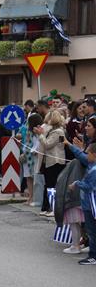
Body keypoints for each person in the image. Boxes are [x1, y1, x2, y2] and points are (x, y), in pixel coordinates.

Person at [66, 134, 96, 265]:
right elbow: (81, 155)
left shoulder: (94, 170)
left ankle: (93, 256)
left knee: (92, 231)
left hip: (91, 205)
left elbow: (89, 187)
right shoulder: (91, 165)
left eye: (88, 153)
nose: (86, 155)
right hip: (89, 204)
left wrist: (77, 183)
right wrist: (74, 147)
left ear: (94, 155)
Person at [37, 109, 67, 217]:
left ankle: (53, 208)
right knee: (49, 185)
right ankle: (47, 207)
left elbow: (47, 144)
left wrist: (40, 135)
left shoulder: (58, 132)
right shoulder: (57, 131)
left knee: (52, 185)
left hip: (55, 161)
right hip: (53, 160)